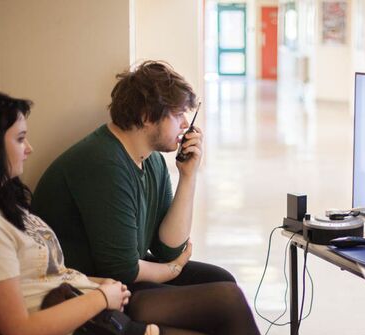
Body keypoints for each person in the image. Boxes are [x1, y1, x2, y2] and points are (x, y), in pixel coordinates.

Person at [0, 93, 310, 335]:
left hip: (89, 324)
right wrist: (101, 297)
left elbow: (55, 275)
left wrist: (99, 289)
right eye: (20, 139)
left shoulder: (3, 207)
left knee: (224, 311)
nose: (30, 148)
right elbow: (21, 333)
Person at [31, 60, 233, 293]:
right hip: (88, 290)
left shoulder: (151, 159)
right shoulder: (104, 163)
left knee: (221, 280)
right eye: (178, 115)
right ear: (147, 116)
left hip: (124, 280)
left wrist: (188, 176)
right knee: (223, 297)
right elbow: (122, 270)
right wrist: (174, 269)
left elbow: (167, 248)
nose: (186, 124)